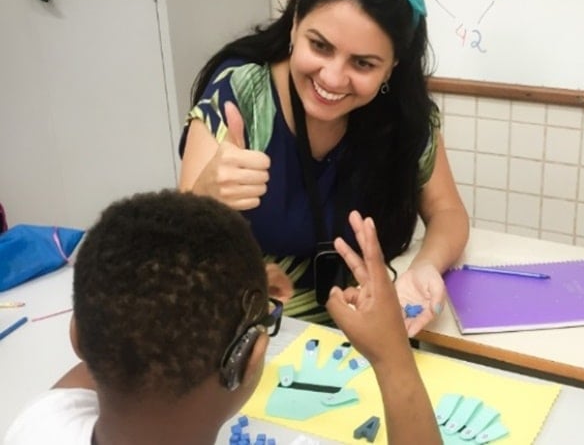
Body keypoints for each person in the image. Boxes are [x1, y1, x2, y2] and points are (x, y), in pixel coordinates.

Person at [177, 0, 469, 336]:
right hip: (252, 333)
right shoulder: (240, 93)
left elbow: (448, 213)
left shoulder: (405, 115)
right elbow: (178, 242)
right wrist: (205, 195)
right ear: (295, 22)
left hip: (368, 331)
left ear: (393, 66)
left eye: (363, 63)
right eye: (320, 46)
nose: (332, 79)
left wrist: (425, 266)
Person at [3, 191, 441, 445]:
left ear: (76, 334)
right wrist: (392, 358)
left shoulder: (39, 424)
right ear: (249, 358)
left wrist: (227, 288)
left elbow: (117, 333)